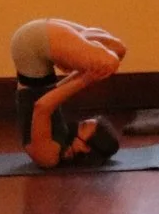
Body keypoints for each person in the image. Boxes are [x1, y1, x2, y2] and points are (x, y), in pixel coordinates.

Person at [10, 18, 127, 169]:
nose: (78, 124)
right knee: (118, 49)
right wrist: (84, 74)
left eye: (83, 126)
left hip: (31, 48)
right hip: (36, 49)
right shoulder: (63, 140)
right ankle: (78, 44)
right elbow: (52, 92)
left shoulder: (48, 157)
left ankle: (79, 44)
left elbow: (42, 106)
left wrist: (85, 79)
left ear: (86, 147)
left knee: (110, 62)